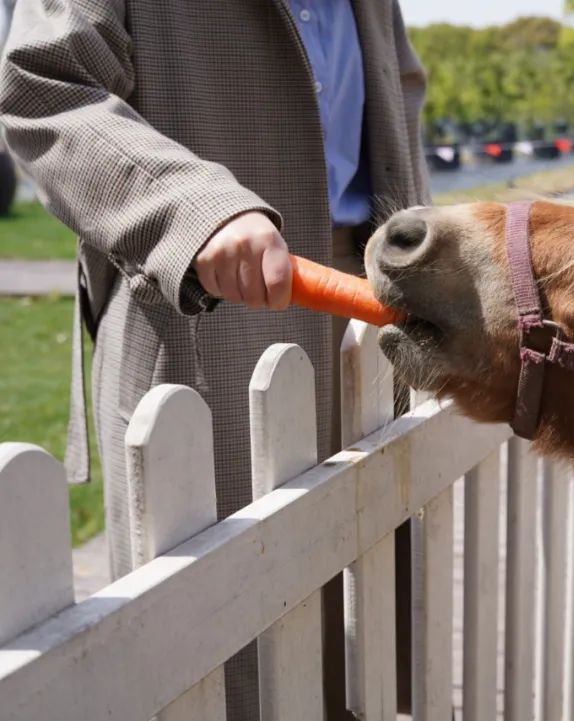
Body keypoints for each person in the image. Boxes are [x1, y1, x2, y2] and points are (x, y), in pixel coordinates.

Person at [0, 1, 429, 719]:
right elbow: (44, 86)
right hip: (205, 315)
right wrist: (190, 209)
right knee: (227, 662)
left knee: (359, 636)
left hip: (367, 313)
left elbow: (397, 87)